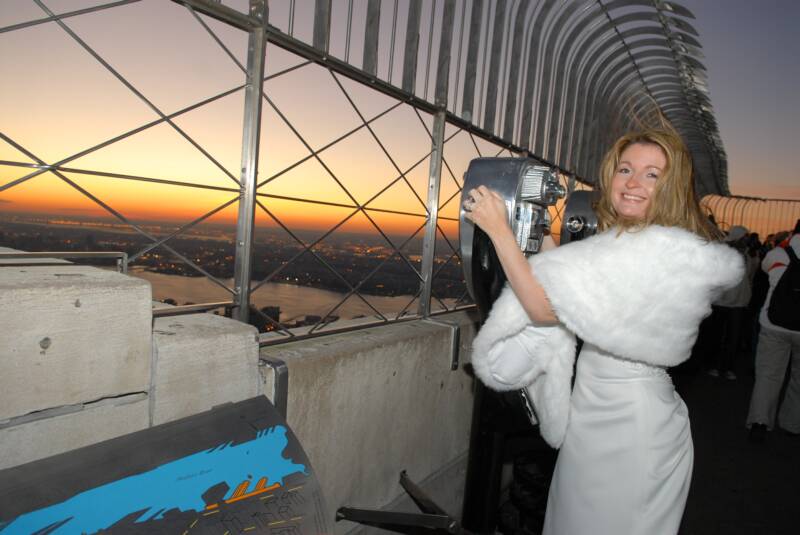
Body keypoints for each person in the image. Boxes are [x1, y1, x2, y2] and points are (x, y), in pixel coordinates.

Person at [463, 128, 744, 535]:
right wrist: (540, 235)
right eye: (626, 169)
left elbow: (545, 310)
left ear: (672, 187)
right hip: (597, 412)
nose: (633, 182)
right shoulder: (631, 242)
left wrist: (500, 230)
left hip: (629, 426)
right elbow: (576, 283)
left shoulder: (655, 251)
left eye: (652, 174)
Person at [746, 221, 800, 442]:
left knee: (768, 375)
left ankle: (760, 421)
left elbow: (766, 268)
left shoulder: (779, 253)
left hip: (774, 323)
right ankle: (793, 424)